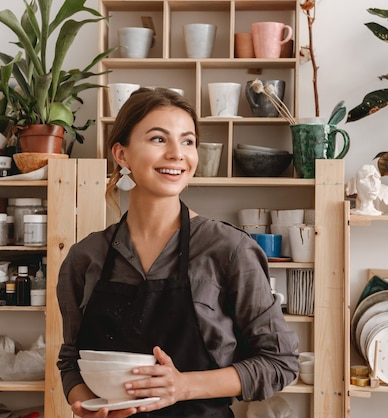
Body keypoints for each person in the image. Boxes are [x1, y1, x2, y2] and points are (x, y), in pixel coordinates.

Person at [57, 87, 299, 418]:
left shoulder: (229, 250)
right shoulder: (85, 257)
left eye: (187, 141)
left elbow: (278, 362)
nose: (177, 153)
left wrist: (182, 386)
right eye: (158, 139)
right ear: (121, 154)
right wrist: (83, 401)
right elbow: (71, 359)